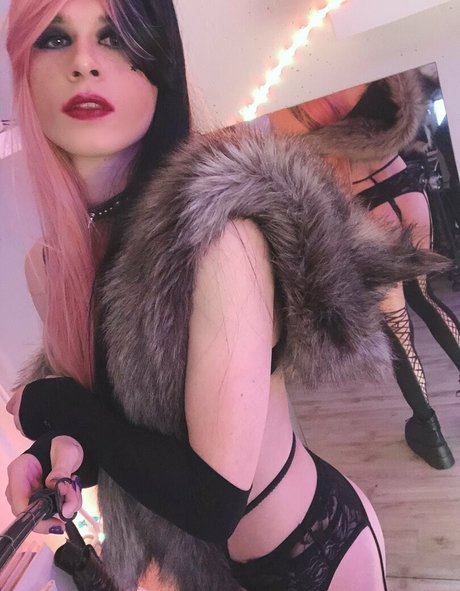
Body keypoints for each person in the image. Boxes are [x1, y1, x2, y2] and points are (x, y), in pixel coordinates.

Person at [3, 1, 442, 590]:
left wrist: (58, 404)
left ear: (160, 65)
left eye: (117, 37)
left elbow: (212, 501)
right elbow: (123, 429)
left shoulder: (216, 235)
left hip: (311, 552)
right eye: (55, 40)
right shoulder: (49, 268)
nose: (84, 62)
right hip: (201, 574)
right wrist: (57, 457)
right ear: (23, 73)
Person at [270, 71, 460, 470]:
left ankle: (431, 434)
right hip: (406, 185)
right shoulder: (361, 74)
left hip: (370, 207)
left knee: (398, 326)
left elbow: (329, 184)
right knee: (426, 298)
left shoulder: (295, 103)